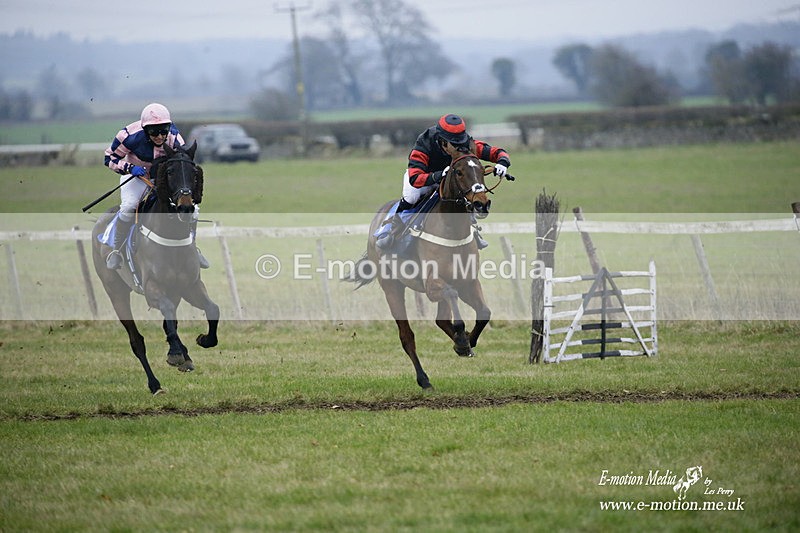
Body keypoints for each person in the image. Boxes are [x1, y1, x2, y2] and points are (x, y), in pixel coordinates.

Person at [376, 113, 512, 251]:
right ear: (442, 140)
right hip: (424, 178)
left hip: (450, 177)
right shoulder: (424, 143)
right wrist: (439, 175)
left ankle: (473, 230)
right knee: (411, 198)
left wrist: (503, 162)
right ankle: (389, 227)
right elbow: (415, 178)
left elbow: (497, 152)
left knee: (465, 194)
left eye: (461, 142)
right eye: (455, 144)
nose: (459, 147)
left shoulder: (464, 143)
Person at [103, 102, 209, 270]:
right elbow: (109, 158)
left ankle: (192, 248)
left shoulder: (174, 136)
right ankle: (116, 251)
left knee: (192, 209)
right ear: (145, 130)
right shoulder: (128, 136)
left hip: (161, 179)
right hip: (135, 177)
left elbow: (181, 159)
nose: (160, 136)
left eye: (163, 131)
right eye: (154, 132)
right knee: (129, 206)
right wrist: (129, 168)